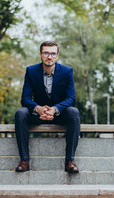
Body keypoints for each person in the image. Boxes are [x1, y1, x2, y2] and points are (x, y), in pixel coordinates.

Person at [15, 41, 80, 173]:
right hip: (38, 114)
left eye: (52, 53)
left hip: (59, 114)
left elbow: (71, 98)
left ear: (57, 56)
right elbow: (25, 98)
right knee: (20, 113)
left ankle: (69, 161)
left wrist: (55, 109)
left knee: (74, 112)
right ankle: (24, 160)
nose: (49, 56)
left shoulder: (67, 71)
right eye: (46, 53)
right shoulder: (31, 71)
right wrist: (38, 108)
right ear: (40, 54)